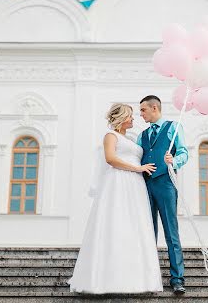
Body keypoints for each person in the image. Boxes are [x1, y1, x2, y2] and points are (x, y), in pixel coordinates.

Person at [68, 103, 163, 294]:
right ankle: (109, 278)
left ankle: (136, 278)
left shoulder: (132, 139)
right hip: (119, 182)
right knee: (117, 224)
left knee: (134, 227)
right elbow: (110, 159)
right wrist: (138, 169)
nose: (133, 119)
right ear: (121, 118)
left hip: (135, 186)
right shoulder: (110, 136)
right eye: (130, 116)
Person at [138, 95, 189, 295]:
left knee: (171, 232)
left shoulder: (173, 127)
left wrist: (173, 160)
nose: (140, 114)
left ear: (154, 108)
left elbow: (184, 152)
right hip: (146, 185)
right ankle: (149, 276)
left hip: (166, 184)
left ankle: (177, 279)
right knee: (148, 232)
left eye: (143, 110)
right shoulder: (142, 135)